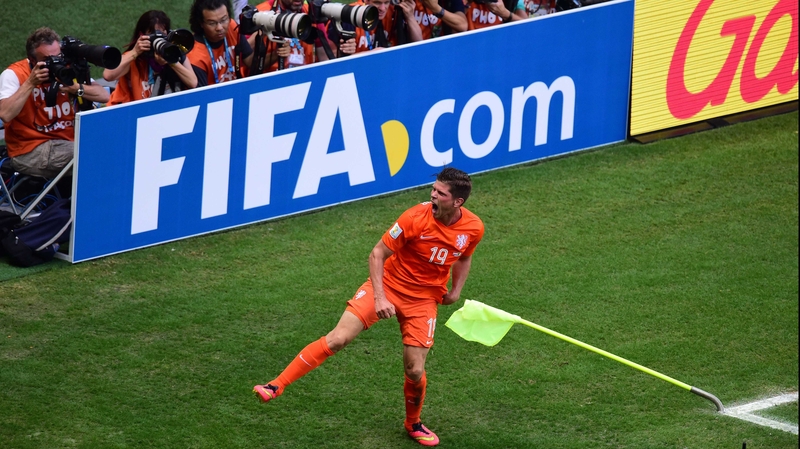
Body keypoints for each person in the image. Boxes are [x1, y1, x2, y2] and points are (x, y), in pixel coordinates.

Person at [253, 168, 485, 447]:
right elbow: (377, 254)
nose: (432, 195)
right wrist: (379, 297)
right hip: (387, 285)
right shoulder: (414, 218)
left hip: (423, 299)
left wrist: (456, 290)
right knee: (338, 338)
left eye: (441, 193)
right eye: (434, 189)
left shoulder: (473, 228)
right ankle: (275, 385)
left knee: (414, 370)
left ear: (457, 202)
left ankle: (413, 423)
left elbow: (464, 257)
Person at [0, 27, 109, 178]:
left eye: (59, 56)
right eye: (48, 60)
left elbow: (104, 96)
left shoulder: (66, 69)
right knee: (95, 157)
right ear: (32, 60)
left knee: (112, 147)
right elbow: (5, 114)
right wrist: (30, 83)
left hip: (68, 141)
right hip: (31, 149)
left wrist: (76, 88)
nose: (56, 63)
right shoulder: (14, 74)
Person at [104, 10, 200, 106]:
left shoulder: (175, 53)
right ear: (142, 35)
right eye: (152, 32)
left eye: (163, 31)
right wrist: (134, 52)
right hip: (132, 113)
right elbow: (108, 75)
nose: (159, 36)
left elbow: (193, 82)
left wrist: (170, 59)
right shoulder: (135, 58)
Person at [187, 0, 256, 85]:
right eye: (212, 23)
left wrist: (275, 49)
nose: (219, 28)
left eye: (224, 20)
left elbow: (250, 62)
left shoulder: (232, 27)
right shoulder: (195, 57)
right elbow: (202, 96)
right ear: (201, 23)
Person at [253, 0, 328, 72]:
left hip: (305, 77)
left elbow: (324, 59)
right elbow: (250, 65)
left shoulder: (312, 12)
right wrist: (276, 54)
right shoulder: (260, 14)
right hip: (270, 79)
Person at [328, 0, 422, 56]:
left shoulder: (393, 12)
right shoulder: (349, 16)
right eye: (377, 2)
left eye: (386, 2)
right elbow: (331, 60)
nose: (383, 8)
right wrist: (372, 55)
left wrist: (410, 17)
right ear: (366, 0)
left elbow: (419, 45)